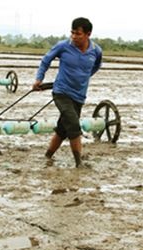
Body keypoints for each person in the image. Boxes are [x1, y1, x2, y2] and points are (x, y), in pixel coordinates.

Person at [32, 17, 102, 168]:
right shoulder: (63, 46)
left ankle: (48, 156)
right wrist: (39, 78)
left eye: (78, 34)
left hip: (79, 95)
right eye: (72, 33)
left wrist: (84, 76)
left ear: (88, 34)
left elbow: (96, 66)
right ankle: (79, 162)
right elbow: (46, 60)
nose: (74, 37)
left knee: (63, 129)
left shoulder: (96, 51)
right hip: (61, 92)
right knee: (74, 125)